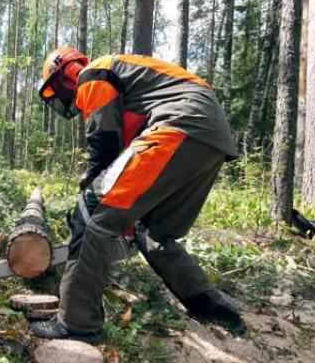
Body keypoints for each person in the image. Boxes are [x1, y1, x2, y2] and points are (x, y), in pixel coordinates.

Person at [31, 47, 247, 341]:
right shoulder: (131, 80)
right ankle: (209, 305)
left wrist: (88, 202)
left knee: (93, 210)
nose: (66, 100)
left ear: (65, 73)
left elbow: (103, 146)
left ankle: (77, 324)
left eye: (58, 91)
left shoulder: (94, 74)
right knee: (155, 231)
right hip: (210, 134)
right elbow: (129, 166)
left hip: (178, 124)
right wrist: (124, 216)